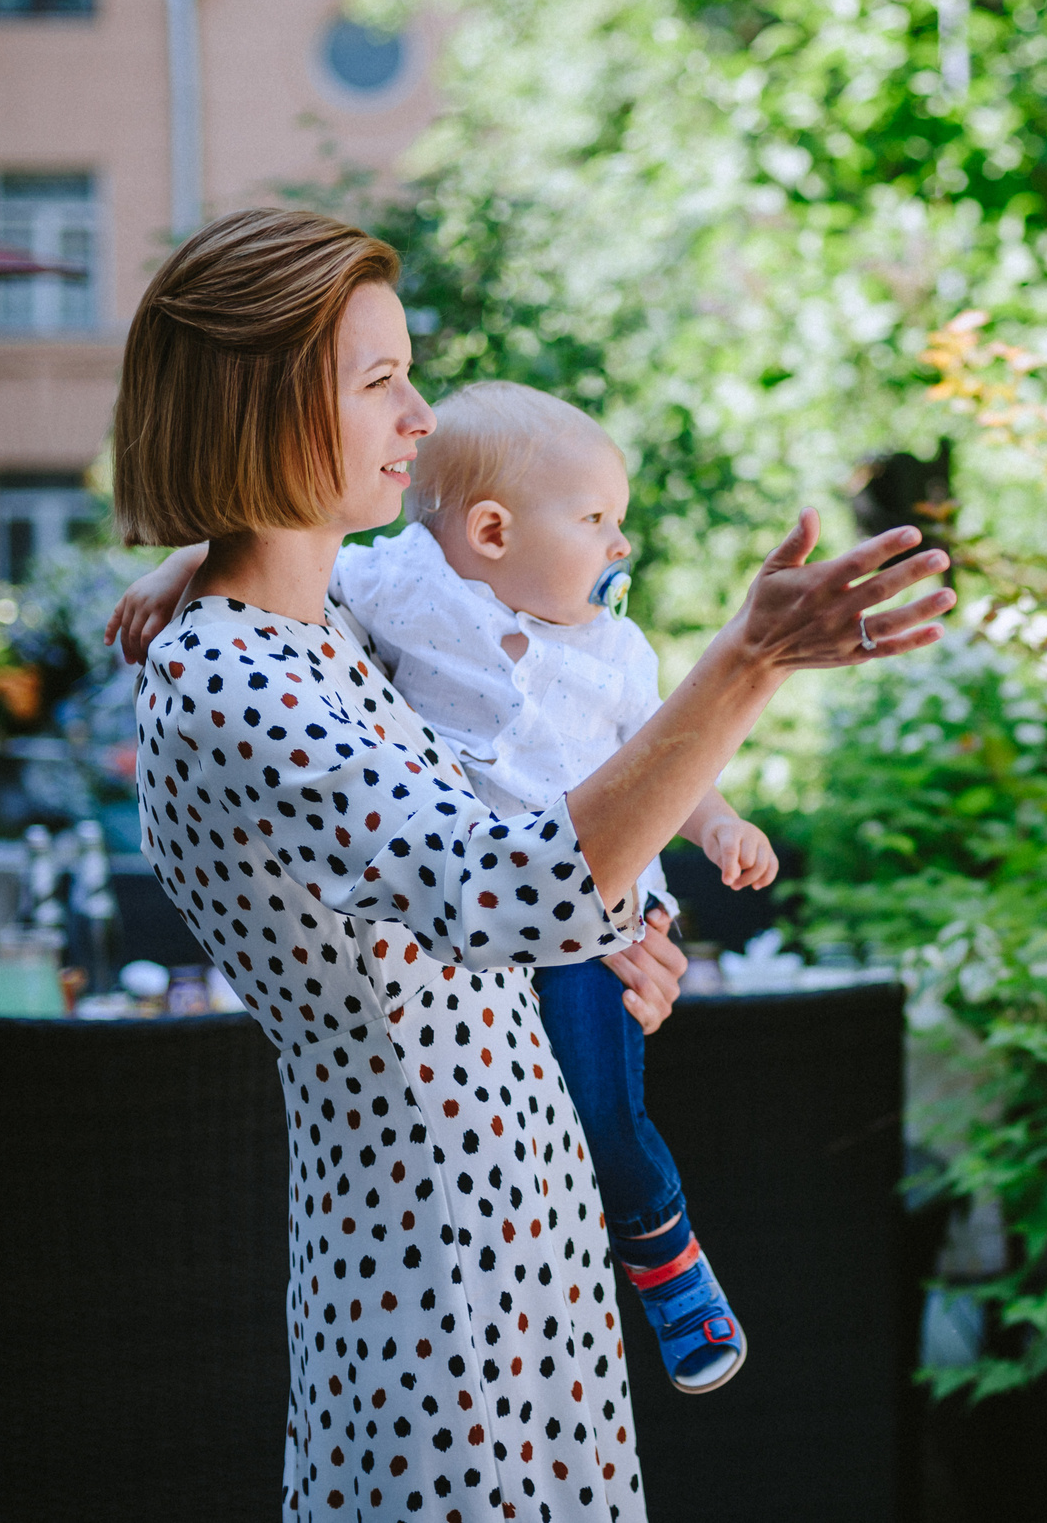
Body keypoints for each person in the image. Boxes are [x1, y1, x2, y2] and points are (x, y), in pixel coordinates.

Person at [107, 208, 952, 1523]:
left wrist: (604, 939)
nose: (424, 418)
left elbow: (487, 895)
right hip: (435, 1256)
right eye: (381, 382)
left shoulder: (313, 629)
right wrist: (743, 664)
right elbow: (502, 885)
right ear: (266, 409)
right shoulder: (235, 677)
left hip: (517, 1205)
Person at [111, 382, 768, 1396]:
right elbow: (270, 560)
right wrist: (181, 564)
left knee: (599, 1103)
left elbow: (663, 762)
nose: (620, 545)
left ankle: (662, 1243)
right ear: (493, 529)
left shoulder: (613, 653)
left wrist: (715, 827)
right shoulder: (401, 589)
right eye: (596, 521)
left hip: (593, 926)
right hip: (484, 979)